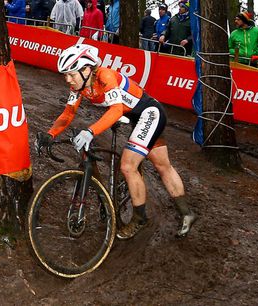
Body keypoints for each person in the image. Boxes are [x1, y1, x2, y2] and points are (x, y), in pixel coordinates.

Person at [36, 44, 197, 239]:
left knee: (128, 166)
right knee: (163, 166)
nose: (68, 79)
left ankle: (139, 219)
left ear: (86, 69)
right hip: (136, 117)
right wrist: (50, 134)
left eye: (71, 74)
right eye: (66, 75)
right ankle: (187, 213)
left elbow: (116, 110)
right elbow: (68, 113)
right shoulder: (79, 87)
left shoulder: (106, 76)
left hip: (149, 114)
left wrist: (91, 130)